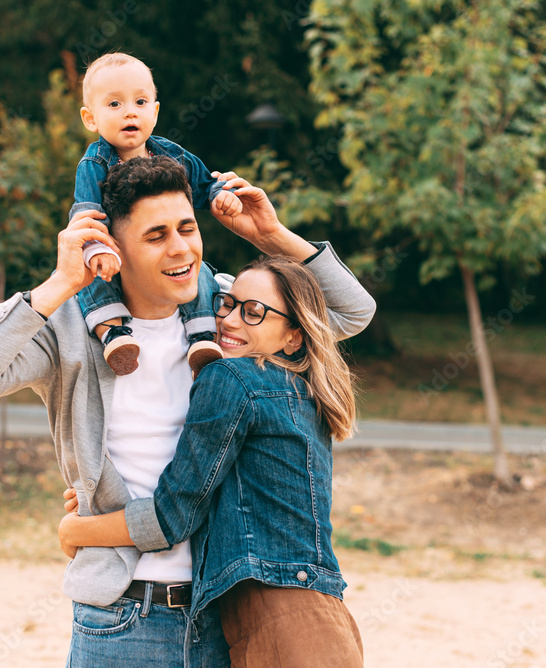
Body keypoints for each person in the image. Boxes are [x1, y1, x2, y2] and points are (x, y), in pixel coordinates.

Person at [0, 155, 376, 667]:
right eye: (156, 236)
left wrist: (271, 235)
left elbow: (349, 312)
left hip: (225, 617)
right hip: (122, 617)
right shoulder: (70, 329)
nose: (181, 248)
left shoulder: (227, 310)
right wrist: (59, 284)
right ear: (113, 250)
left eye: (187, 227)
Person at [58, 255, 365, 667]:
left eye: (254, 312)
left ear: (294, 337)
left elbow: (174, 516)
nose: (230, 320)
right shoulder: (300, 393)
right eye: (226, 303)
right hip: (325, 617)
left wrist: (79, 531)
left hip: (278, 624)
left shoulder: (232, 378)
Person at [73, 51, 240, 377]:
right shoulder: (95, 163)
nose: (129, 113)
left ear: (155, 110)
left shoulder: (169, 152)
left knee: (199, 270)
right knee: (92, 278)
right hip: (113, 252)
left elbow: (205, 183)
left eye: (140, 102)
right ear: (90, 118)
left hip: (155, 264)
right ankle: (113, 332)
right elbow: (86, 213)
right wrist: (97, 249)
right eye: (114, 105)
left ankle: (202, 335)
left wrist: (222, 196)